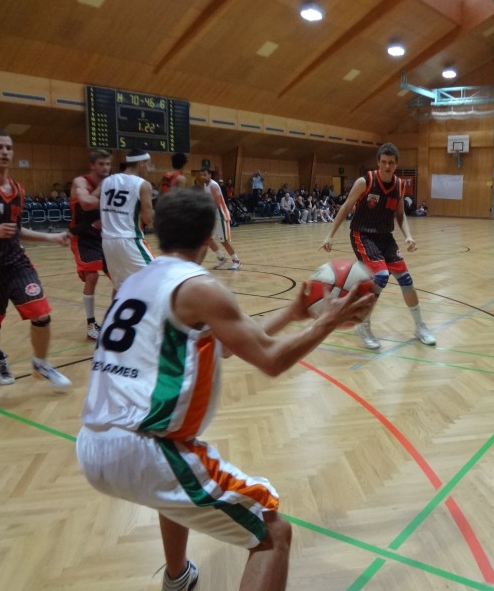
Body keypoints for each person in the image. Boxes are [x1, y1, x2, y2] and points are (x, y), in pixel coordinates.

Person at [76, 188, 373, 591]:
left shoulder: (135, 282)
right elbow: (270, 360)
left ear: (157, 229)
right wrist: (326, 323)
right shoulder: (199, 287)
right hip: (145, 449)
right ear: (209, 238)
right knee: (273, 535)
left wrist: (292, 314)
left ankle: (177, 576)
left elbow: (229, 347)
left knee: (174, 493)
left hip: (94, 443)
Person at [0, 130, 71, 387]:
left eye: (8, 147)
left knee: (41, 314)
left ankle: (41, 363)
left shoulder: (17, 189)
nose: (5, 152)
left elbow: (15, 230)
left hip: (16, 263)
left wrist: (52, 237)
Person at [321, 142, 436, 350]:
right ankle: (362, 324)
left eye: (391, 162)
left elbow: (400, 215)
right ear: (378, 162)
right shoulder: (365, 182)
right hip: (363, 235)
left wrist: (408, 236)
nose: (387, 166)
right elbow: (346, 207)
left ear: (396, 164)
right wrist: (329, 236)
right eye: (383, 162)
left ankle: (420, 327)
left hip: (386, 237)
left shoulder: (399, 185)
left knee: (406, 280)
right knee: (381, 276)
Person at [97, 148, 155, 292]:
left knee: (121, 288)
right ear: (141, 163)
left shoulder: (107, 181)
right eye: (148, 164)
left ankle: (118, 308)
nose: (149, 168)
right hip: (129, 239)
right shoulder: (142, 184)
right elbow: (148, 219)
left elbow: (92, 200)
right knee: (158, 277)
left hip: (107, 242)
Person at [69, 149, 112, 340]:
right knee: (92, 276)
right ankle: (91, 325)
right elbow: (86, 204)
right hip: (83, 236)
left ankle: (114, 320)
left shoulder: (112, 182)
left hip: (104, 237)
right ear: (92, 165)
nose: (105, 168)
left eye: (108, 164)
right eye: (101, 164)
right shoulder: (80, 182)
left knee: (120, 278)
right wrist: (102, 188)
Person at [200, 166, 241, 270]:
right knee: (207, 239)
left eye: (205, 174)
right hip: (213, 216)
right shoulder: (205, 185)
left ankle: (236, 261)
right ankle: (221, 257)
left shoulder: (213, 185)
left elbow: (217, 203)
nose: (203, 176)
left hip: (220, 216)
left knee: (224, 241)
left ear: (210, 175)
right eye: (201, 175)